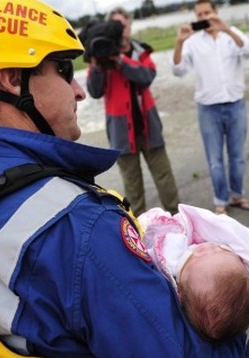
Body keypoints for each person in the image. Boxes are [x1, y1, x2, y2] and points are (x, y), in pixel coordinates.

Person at [0, 0, 249, 358]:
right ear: (14, 79)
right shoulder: (79, 225)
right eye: (64, 70)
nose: (80, 91)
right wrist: (246, 296)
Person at [86, 7, 180, 217]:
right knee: (132, 183)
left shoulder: (141, 51)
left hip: (149, 126)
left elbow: (147, 76)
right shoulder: (100, 56)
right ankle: (138, 226)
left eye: (124, 23)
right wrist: (98, 64)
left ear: (130, 25)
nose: (122, 28)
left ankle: (177, 216)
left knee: (164, 176)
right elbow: (94, 91)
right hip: (120, 131)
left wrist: (119, 59)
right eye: (116, 24)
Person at [138, 204, 249, 341]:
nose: (208, 247)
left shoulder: (170, 258)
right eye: (222, 249)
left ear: (180, 292)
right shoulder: (195, 276)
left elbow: (150, 228)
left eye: (197, 254)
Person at [171, 0, 249, 216]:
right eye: (199, 15)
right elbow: (178, 70)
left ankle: (237, 196)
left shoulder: (231, 33)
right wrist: (179, 42)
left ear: (216, 12)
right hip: (208, 108)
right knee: (215, 159)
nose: (203, 18)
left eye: (207, 13)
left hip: (236, 103)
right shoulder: (192, 41)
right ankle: (221, 200)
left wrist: (226, 28)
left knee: (237, 156)